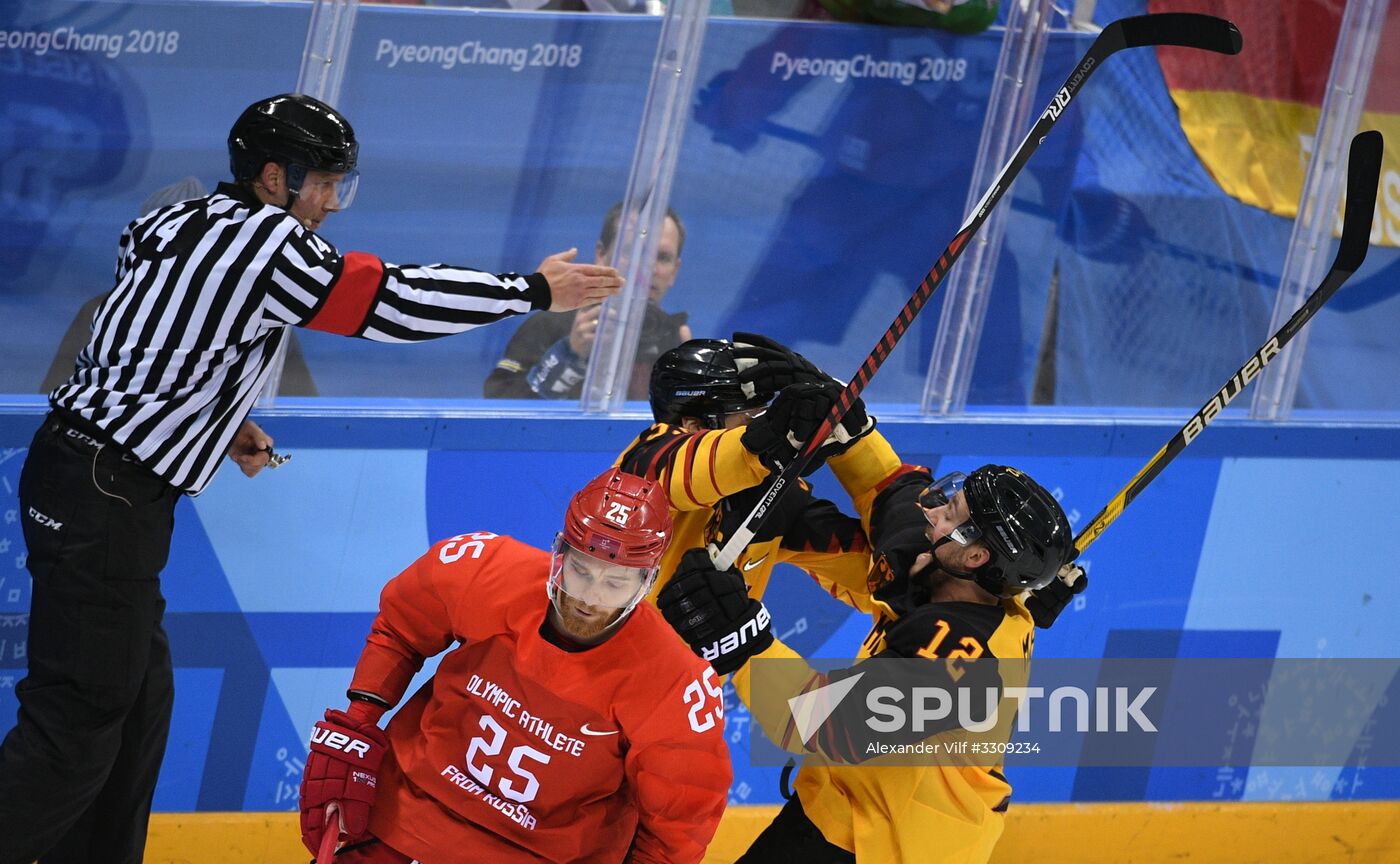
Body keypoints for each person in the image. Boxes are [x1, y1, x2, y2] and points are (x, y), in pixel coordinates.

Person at [0, 92, 621, 864]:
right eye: (322, 182)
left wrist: (216, 421)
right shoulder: (268, 245)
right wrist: (532, 292)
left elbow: (155, 339)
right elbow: (386, 300)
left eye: (339, 184)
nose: (330, 202)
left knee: (137, 695)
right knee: (82, 715)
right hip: (106, 490)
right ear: (272, 177)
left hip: (90, 475)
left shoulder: (175, 220)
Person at [658, 458, 1085, 863]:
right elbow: (898, 500)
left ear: (975, 558)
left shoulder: (958, 656)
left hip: (888, 846)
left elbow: (833, 727)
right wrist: (851, 431)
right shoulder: (971, 588)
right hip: (846, 810)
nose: (932, 513)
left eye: (950, 513)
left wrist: (747, 644)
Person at [297, 469, 731, 863]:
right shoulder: (485, 571)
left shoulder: (674, 682)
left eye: (615, 583)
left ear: (647, 581)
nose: (589, 597)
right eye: (581, 570)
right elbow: (402, 626)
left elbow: (678, 825)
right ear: (560, 552)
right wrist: (359, 722)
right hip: (408, 814)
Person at [614, 334, 903, 618]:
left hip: (698, 667)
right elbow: (688, 471)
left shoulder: (776, 500)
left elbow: (885, 585)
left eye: (766, 412)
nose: (765, 421)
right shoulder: (642, 466)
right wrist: (765, 440)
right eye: (751, 419)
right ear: (693, 426)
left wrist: (856, 437)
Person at [484, 202, 690, 400]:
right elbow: (499, 407)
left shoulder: (676, 340)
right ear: (601, 255)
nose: (648, 268)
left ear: (675, 271)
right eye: (632, 252)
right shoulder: (550, 325)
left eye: (662, 257)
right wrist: (568, 356)